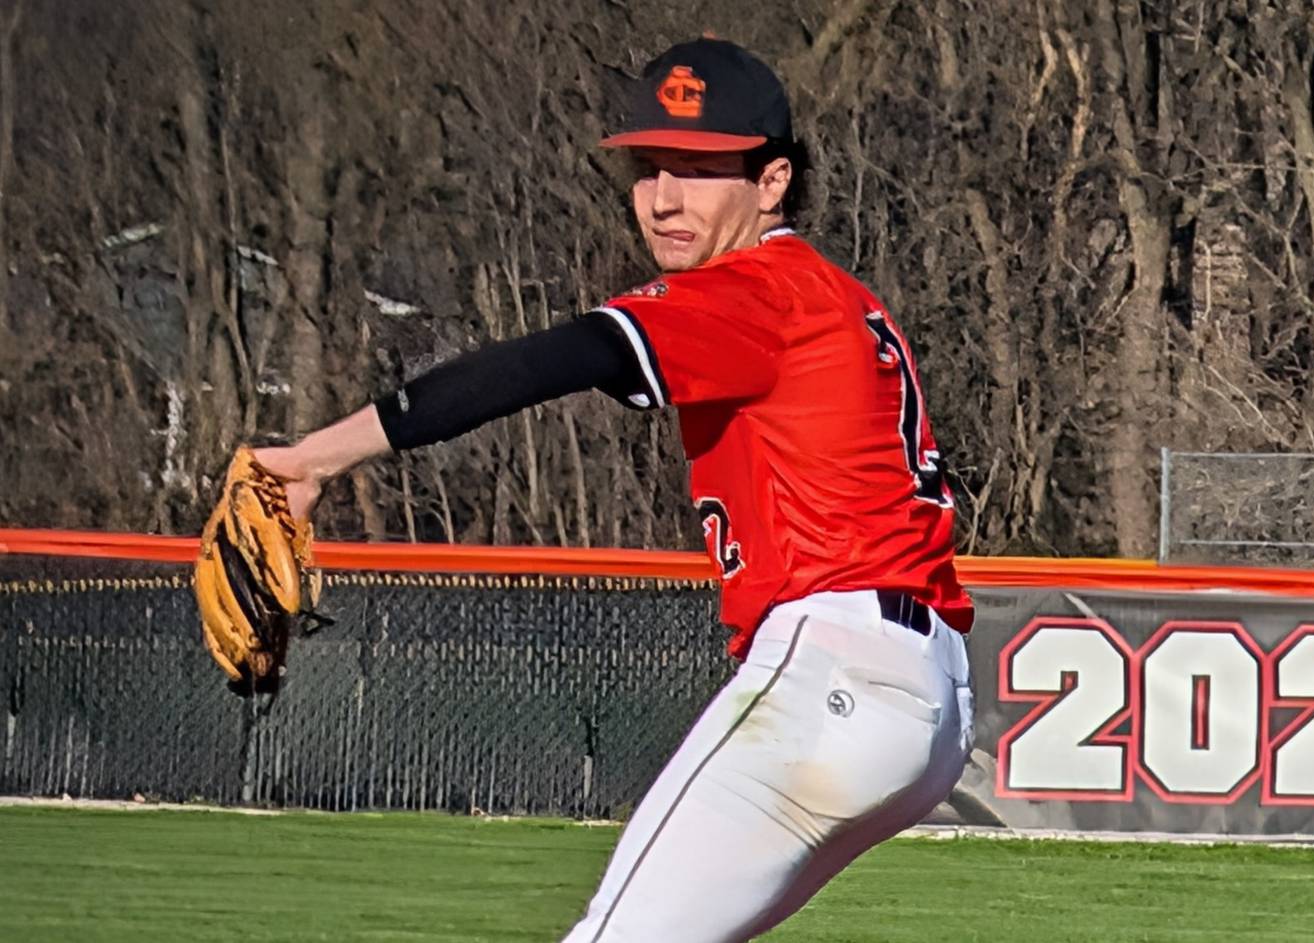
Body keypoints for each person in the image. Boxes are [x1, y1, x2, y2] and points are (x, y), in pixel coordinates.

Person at [253, 37, 976, 943]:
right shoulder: (836, 296)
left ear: (772, 180)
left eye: (702, 168)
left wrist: (318, 456)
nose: (664, 197)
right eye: (650, 167)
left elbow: (559, 358)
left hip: (834, 666)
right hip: (922, 697)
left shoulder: (753, 292)